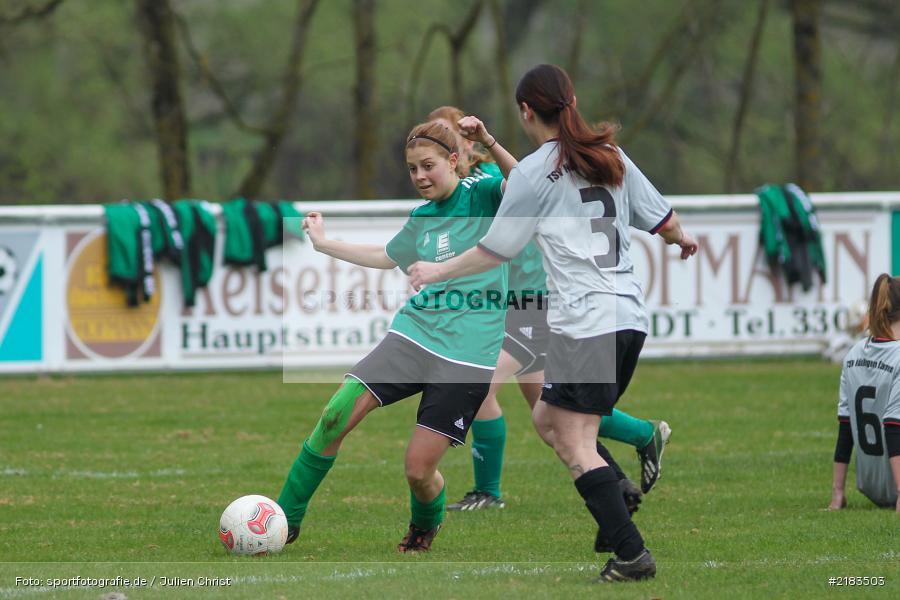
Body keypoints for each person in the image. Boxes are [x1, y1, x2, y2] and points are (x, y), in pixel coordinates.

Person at [408, 64, 698, 581]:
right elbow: (666, 221)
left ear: (526, 111)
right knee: (548, 418)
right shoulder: (608, 154)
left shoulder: (536, 171)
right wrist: (682, 240)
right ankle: (617, 496)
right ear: (572, 102)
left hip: (585, 322)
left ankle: (631, 553)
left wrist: (436, 270)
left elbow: (495, 249)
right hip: (627, 317)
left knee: (575, 441)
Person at [276, 119, 517, 552]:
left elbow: (526, 185)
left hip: (467, 354)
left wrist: (489, 141)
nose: (420, 176)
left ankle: (425, 523)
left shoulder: (482, 193)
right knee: (336, 413)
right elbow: (386, 255)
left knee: (418, 471)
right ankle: (283, 520)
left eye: (428, 166)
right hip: (414, 334)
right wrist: (325, 244)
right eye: (412, 169)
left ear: (454, 161)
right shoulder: (421, 217)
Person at [428, 106, 671, 513]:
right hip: (507, 305)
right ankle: (632, 456)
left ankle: (487, 492)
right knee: (552, 415)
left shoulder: (489, 180)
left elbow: (522, 182)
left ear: (465, 145)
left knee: (480, 384)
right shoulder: (454, 190)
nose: (440, 148)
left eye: (447, 138)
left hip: (534, 300)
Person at [829, 274, 900, 512]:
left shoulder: (854, 354)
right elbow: (894, 425)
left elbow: (845, 426)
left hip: (871, 486)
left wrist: (837, 493)